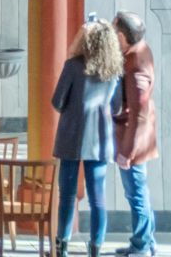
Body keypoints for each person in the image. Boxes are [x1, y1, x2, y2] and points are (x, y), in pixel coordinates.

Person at [52, 18, 124, 257]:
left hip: (72, 136)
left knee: (67, 194)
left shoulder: (73, 66)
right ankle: (95, 248)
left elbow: (57, 101)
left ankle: (61, 247)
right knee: (97, 198)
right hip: (100, 140)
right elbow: (115, 108)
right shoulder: (113, 72)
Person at [113, 11, 158, 257]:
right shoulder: (137, 50)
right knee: (138, 191)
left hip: (135, 140)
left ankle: (142, 247)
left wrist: (127, 152)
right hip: (135, 135)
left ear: (122, 35)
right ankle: (145, 241)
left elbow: (138, 114)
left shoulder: (136, 61)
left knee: (136, 193)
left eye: (113, 31)